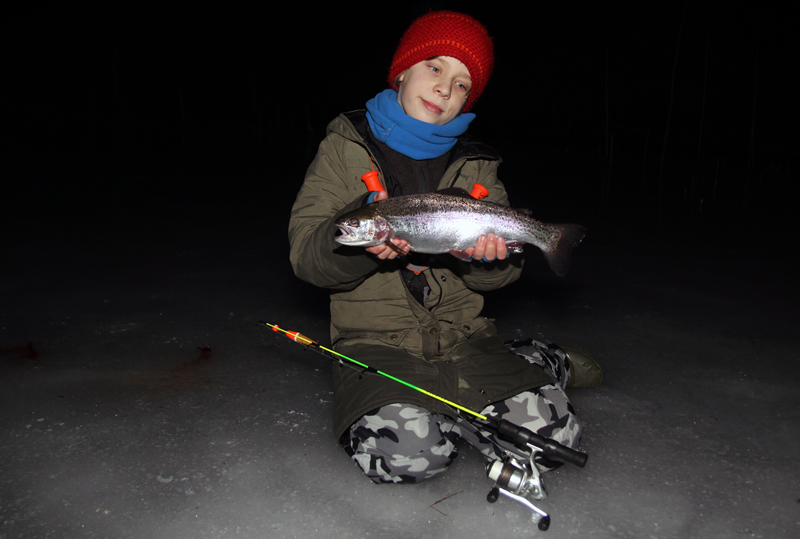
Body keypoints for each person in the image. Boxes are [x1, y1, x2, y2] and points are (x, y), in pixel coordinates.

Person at [288, 10, 601, 484]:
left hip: (464, 338)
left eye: (461, 84)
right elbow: (307, 254)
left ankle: (538, 359)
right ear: (402, 72)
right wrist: (352, 247)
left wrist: (494, 261)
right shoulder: (342, 149)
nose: (444, 89)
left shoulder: (478, 165)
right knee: (409, 457)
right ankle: (509, 373)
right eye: (435, 68)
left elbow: (500, 277)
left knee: (557, 441)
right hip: (377, 344)